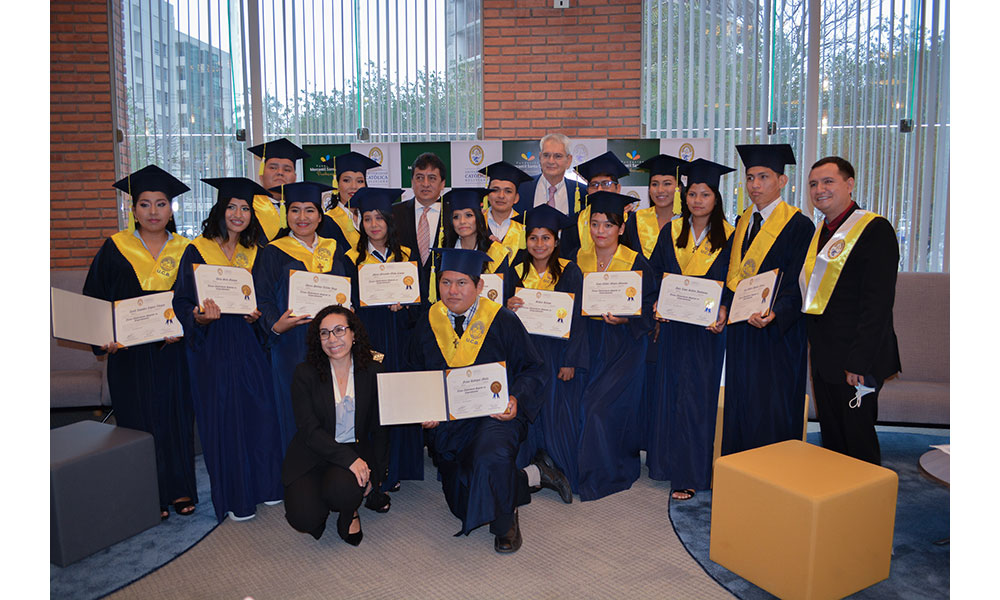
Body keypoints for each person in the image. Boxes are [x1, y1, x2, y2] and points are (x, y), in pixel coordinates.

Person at [407, 248, 568, 553]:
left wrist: (516, 398)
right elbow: (416, 372)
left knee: (489, 458)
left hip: (496, 417)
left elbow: (534, 367)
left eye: (462, 283)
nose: (452, 291)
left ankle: (506, 522)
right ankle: (532, 475)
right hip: (450, 424)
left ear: (479, 286)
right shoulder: (428, 321)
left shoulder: (502, 320)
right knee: (463, 506)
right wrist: (424, 408)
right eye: (445, 282)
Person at [83, 165, 198, 520]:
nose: (153, 212)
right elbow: (94, 299)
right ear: (133, 210)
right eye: (145, 204)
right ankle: (147, 493)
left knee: (175, 419)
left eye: (161, 204)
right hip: (129, 355)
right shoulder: (114, 248)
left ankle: (179, 490)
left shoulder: (187, 249)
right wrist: (104, 339)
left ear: (171, 209)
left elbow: (196, 299)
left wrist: (185, 327)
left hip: (172, 351)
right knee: (137, 421)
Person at [172, 177, 284, 522]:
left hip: (249, 344)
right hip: (213, 346)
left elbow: (264, 297)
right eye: (232, 207)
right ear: (220, 210)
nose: (238, 214)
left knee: (261, 412)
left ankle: (267, 486)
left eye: (246, 208)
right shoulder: (196, 250)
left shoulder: (258, 252)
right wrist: (199, 319)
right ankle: (235, 497)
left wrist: (257, 316)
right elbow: (181, 300)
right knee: (224, 419)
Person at [800, 156, 901, 465]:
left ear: (849, 184)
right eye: (814, 184)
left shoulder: (874, 229)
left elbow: (878, 303)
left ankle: (866, 509)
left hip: (858, 360)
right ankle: (836, 506)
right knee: (833, 437)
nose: (820, 190)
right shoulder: (822, 232)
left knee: (857, 439)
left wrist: (858, 362)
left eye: (828, 182)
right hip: (825, 356)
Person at [647, 159, 736, 501]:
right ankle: (666, 465)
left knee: (697, 399)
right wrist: (656, 303)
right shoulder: (672, 231)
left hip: (706, 330)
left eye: (705, 194)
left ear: (716, 198)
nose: (698, 200)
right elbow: (654, 274)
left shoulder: (731, 234)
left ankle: (691, 474)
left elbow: (735, 280)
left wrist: (726, 309)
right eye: (693, 194)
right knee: (670, 395)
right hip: (673, 327)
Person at [721, 144, 814, 455]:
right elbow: (730, 273)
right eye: (750, 178)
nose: (755, 185)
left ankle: (775, 480)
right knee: (742, 402)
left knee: (772, 406)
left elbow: (800, 281)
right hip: (742, 331)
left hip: (777, 335)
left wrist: (775, 312)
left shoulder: (800, 225)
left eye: (763, 177)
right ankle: (741, 474)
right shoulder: (742, 222)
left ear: (782, 181)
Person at [568, 191, 657, 501]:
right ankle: (581, 470)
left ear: (621, 228)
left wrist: (626, 320)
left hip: (624, 348)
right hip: (588, 344)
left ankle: (607, 473)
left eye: (608, 225)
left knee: (597, 408)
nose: (600, 231)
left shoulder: (635, 261)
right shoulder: (579, 260)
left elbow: (649, 306)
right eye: (595, 224)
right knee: (580, 405)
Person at [282, 305, 389, 545]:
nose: (333, 339)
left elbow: (380, 428)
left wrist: (378, 476)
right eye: (324, 333)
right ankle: (321, 502)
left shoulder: (373, 370)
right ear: (317, 339)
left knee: (344, 492)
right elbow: (309, 430)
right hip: (311, 454)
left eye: (340, 330)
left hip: (353, 451)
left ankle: (349, 510)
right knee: (303, 518)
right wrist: (349, 460)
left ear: (354, 334)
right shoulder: (304, 374)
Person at [253, 181, 347, 453]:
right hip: (290, 344)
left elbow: (347, 289)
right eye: (295, 210)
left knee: (334, 406)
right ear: (286, 214)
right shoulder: (272, 251)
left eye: (309, 211)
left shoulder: (334, 248)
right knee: (296, 409)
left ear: (320, 215)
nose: (302, 218)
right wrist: (275, 325)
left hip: (333, 344)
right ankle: (300, 479)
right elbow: (264, 297)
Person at [344, 186, 424, 492]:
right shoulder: (352, 258)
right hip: (370, 340)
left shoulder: (407, 256)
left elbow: (420, 305)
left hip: (400, 339)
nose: (374, 224)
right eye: (367, 218)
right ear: (360, 223)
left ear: (390, 220)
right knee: (372, 402)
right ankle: (375, 469)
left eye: (379, 217)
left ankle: (399, 466)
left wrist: (404, 306)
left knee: (400, 399)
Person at [504, 204, 586, 503]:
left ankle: (559, 468)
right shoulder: (514, 271)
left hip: (555, 353)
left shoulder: (570, 270)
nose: (539, 244)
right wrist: (507, 307)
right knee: (526, 410)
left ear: (556, 240)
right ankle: (531, 471)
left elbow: (577, 319)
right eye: (533, 238)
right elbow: (498, 315)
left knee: (555, 413)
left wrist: (570, 360)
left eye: (546, 238)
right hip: (523, 355)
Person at [392, 152, 449, 307]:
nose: (425, 184)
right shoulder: (394, 214)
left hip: (444, 304)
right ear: (412, 182)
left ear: (442, 183)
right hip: (404, 304)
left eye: (432, 178)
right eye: (419, 177)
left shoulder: (454, 216)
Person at [561, 150, 631, 259]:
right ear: (587, 190)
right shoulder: (573, 225)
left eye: (606, 184)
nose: (599, 189)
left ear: (618, 188)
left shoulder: (632, 221)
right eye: (594, 185)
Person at [247, 138, 309, 242]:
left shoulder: (306, 211)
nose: (280, 172)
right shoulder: (247, 207)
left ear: (295, 177)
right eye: (273, 168)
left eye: (287, 169)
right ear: (261, 174)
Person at [514, 133, 588, 218]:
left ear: (568, 160)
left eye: (558, 156)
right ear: (540, 157)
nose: (551, 161)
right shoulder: (521, 189)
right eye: (546, 155)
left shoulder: (582, 193)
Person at [443, 187, 511, 277]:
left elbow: (504, 289)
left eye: (468, 215)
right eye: (456, 217)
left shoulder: (495, 253)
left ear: (478, 218)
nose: (462, 221)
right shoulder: (446, 252)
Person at [319, 150, 381, 247]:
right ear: (337, 184)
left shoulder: (371, 218)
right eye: (347, 180)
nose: (354, 186)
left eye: (360, 181)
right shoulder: (327, 222)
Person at [479, 160, 533, 257]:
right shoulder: (476, 223)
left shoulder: (525, 226)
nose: (501, 196)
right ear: (487, 194)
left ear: (516, 198)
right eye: (495, 190)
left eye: (508, 191)